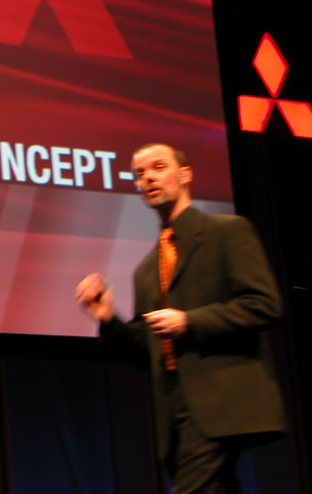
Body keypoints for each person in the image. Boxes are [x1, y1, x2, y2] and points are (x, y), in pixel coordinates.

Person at [76, 143, 285, 493]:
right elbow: (147, 349)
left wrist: (189, 321)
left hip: (221, 401)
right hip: (174, 414)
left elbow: (264, 304)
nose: (147, 178)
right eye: (140, 174)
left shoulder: (228, 232)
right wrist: (108, 317)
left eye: (158, 167)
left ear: (185, 175)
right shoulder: (147, 270)